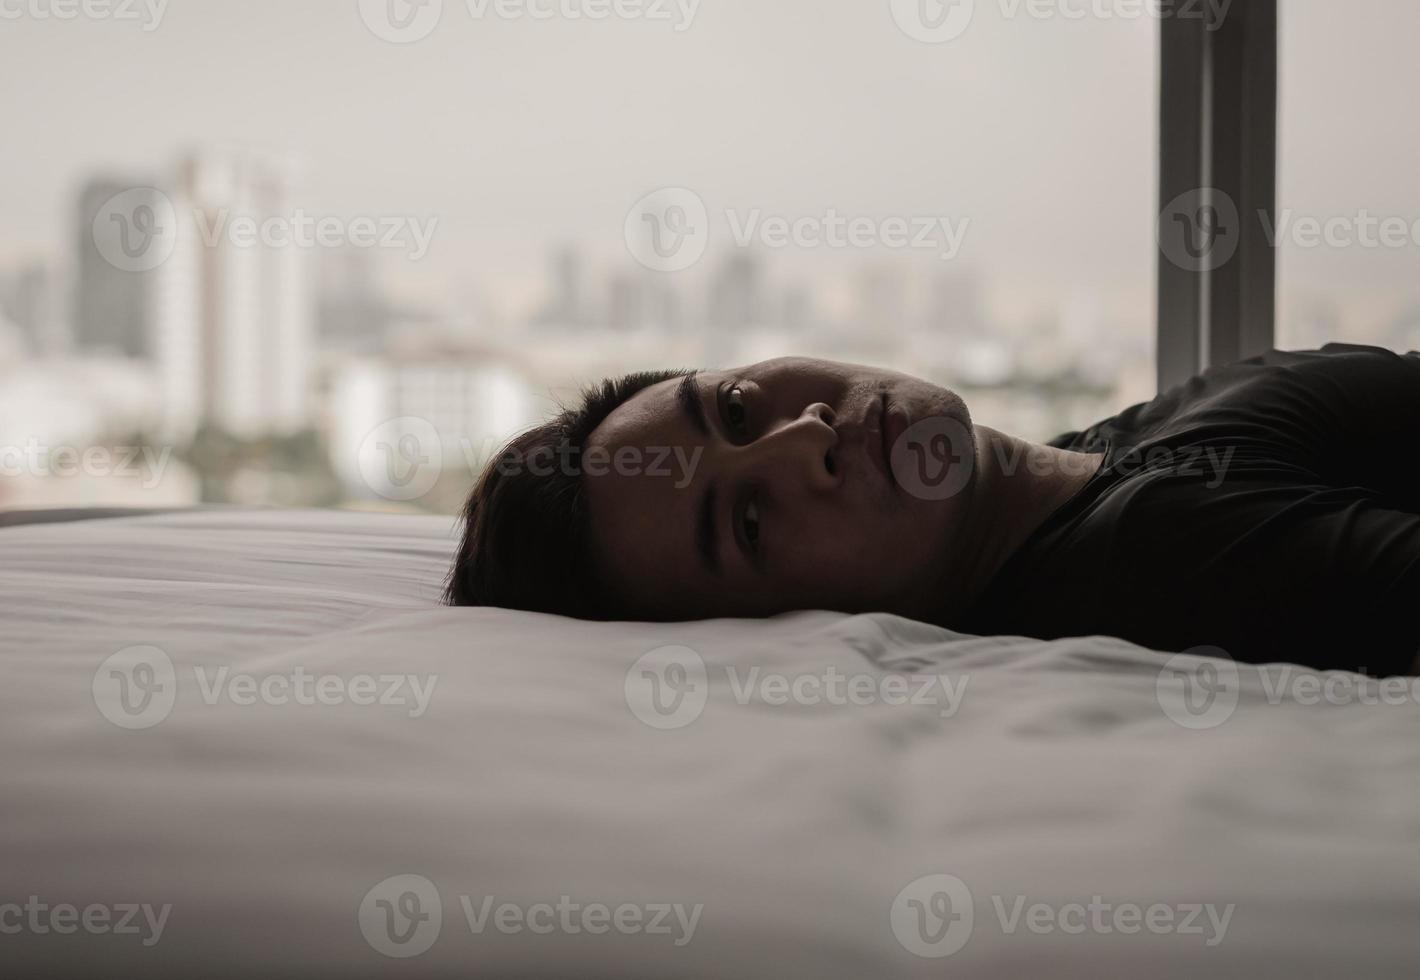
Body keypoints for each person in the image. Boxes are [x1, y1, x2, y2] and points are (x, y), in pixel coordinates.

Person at [446, 344, 1420, 677]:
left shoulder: (1089, 461)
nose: (805, 436)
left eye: (738, 406)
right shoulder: (1174, 553)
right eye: (748, 522)